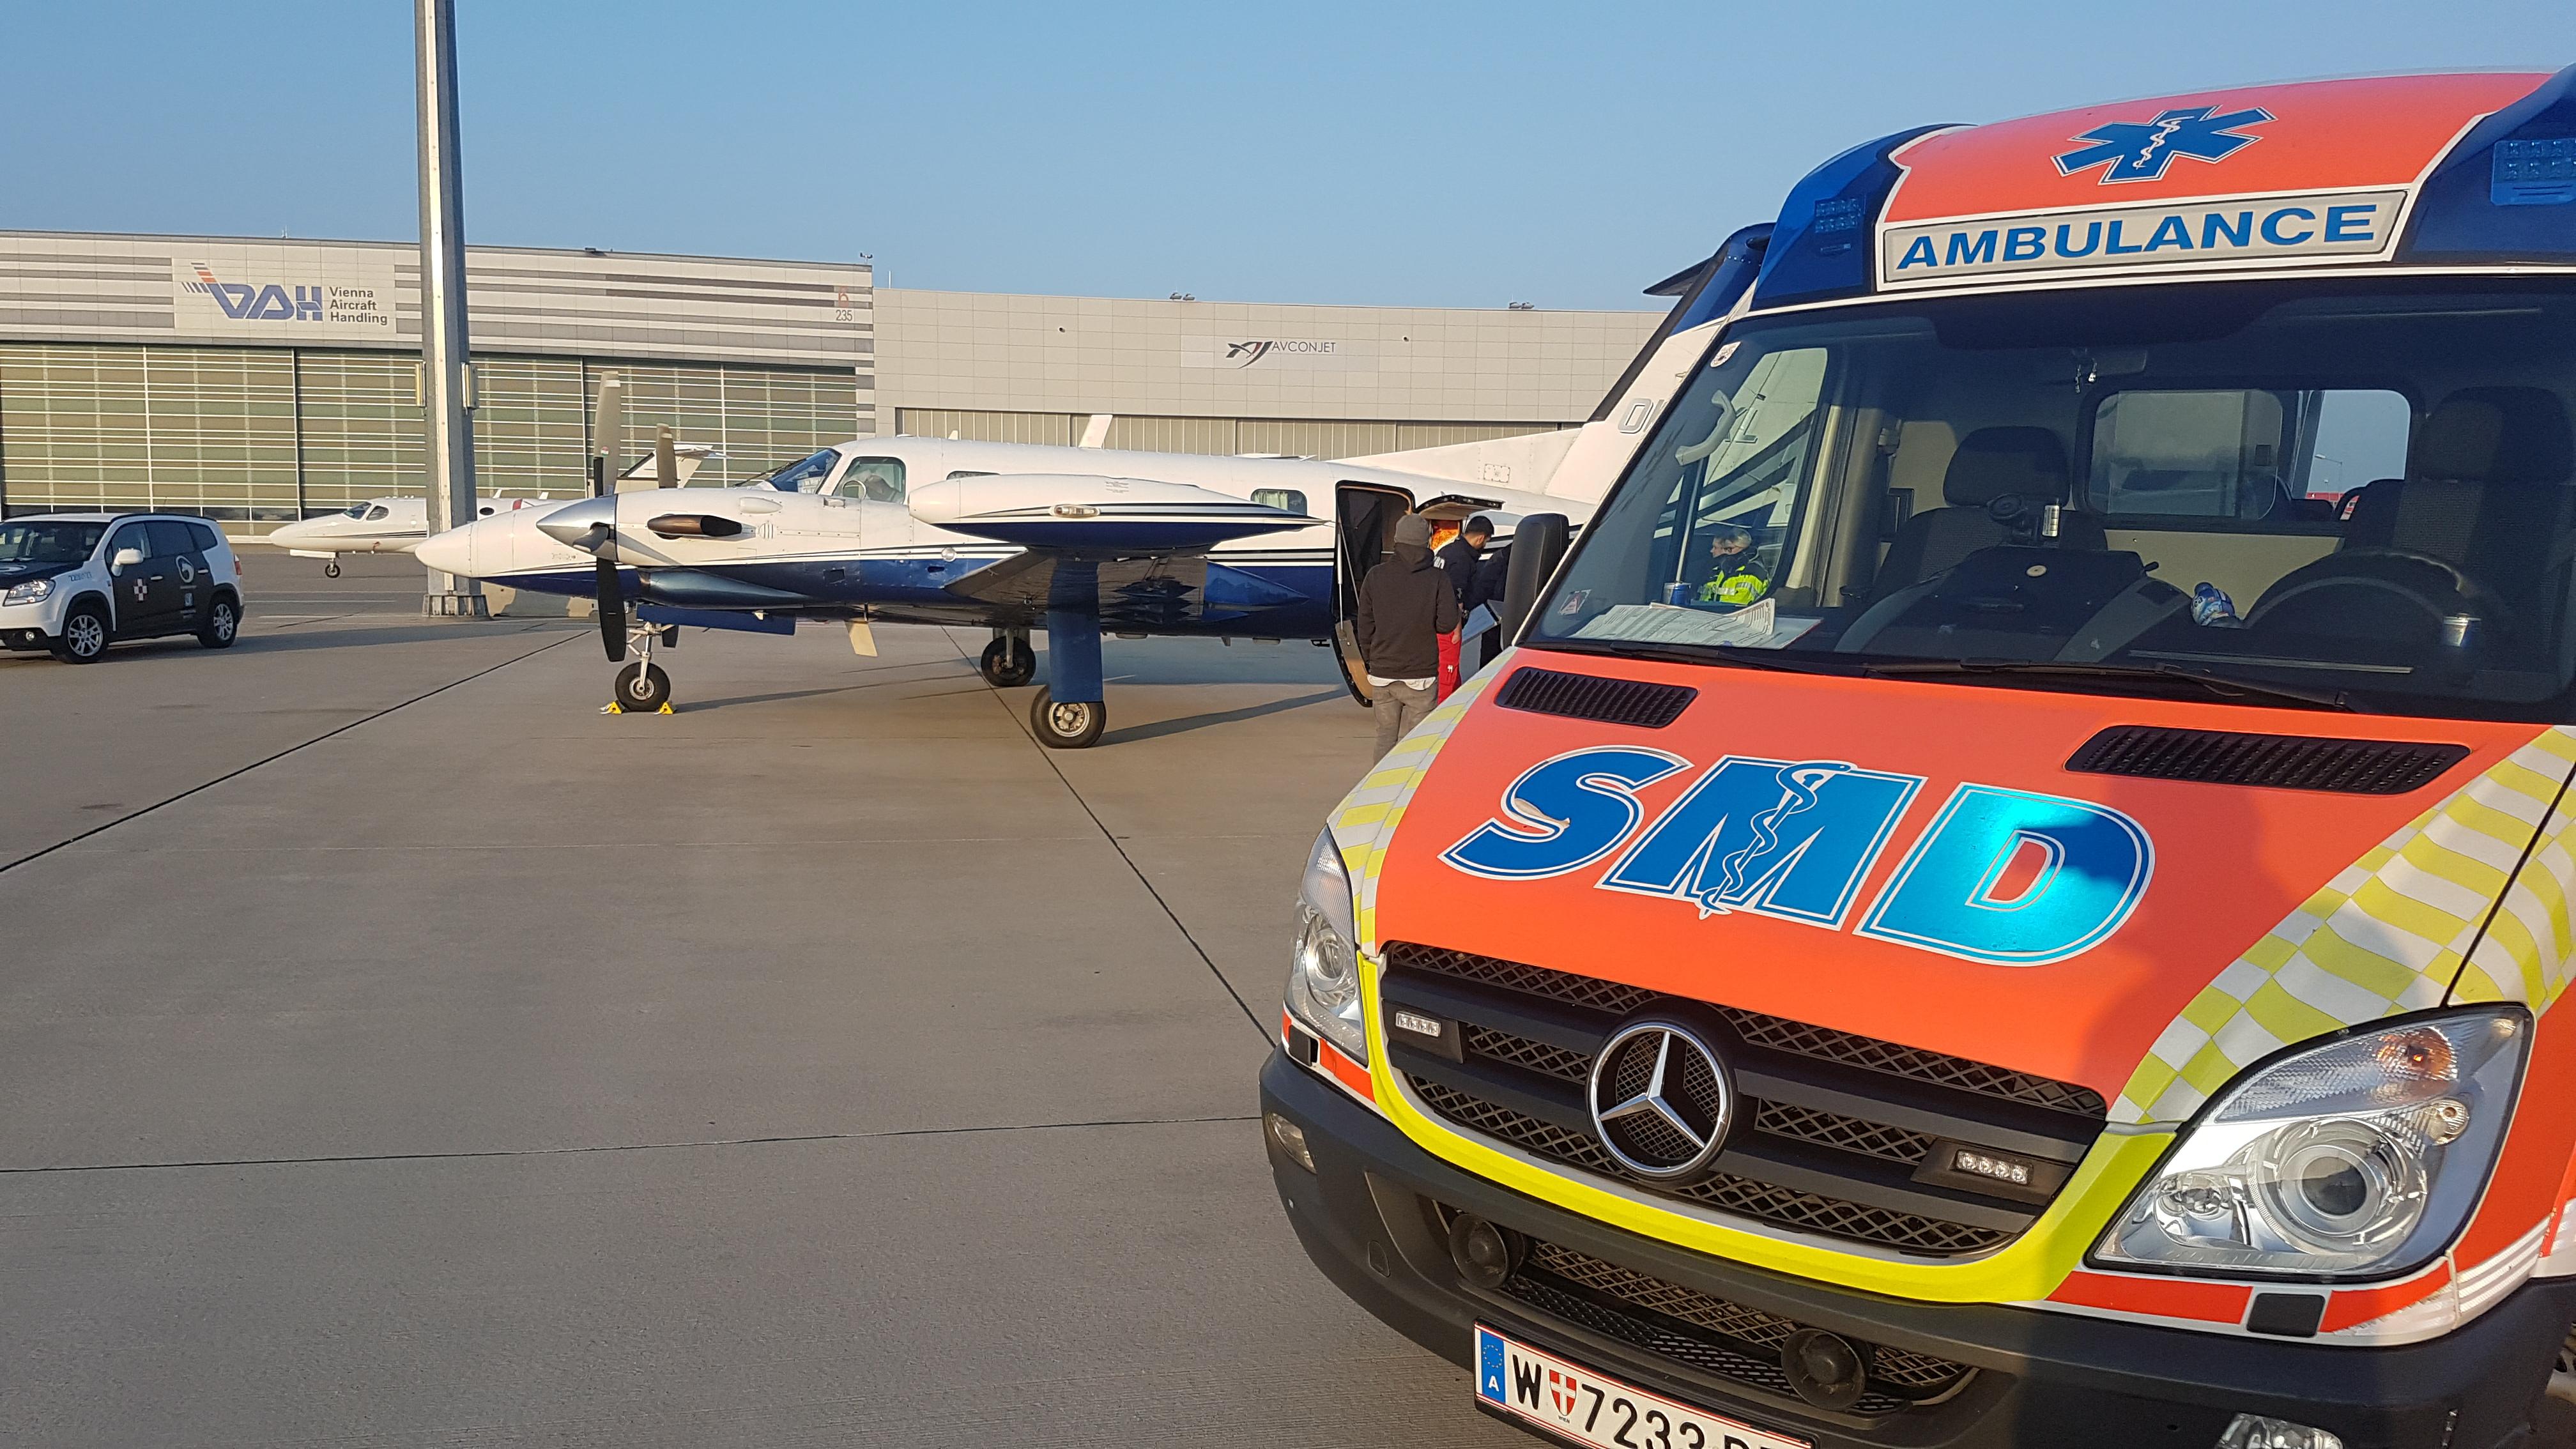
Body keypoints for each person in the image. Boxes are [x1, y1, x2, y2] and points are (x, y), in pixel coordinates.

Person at [1354, 512, 1461, 758]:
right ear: (1427, 542)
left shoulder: (1376, 576)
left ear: (1396, 541)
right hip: (1421, 675)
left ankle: (1380, 782)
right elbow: (1446, 624)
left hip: (1383, 672)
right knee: (1417, 744)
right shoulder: (1438, 578)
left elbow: (1365, 625)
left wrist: (1372, 658)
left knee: (1385, 737)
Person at [1695, 525, 1770, 606]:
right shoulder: (1719, 570)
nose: (1712, 551)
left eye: (1716, 547)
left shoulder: (1751, 573)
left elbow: (1737, 607)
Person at [1436, 515, 1494, 611]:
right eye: (1486, 542)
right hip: (1445, 614)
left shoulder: (1446, 549)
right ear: (1480, 539)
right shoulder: (1463, 560)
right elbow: (1457, 599)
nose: (1484, 545)